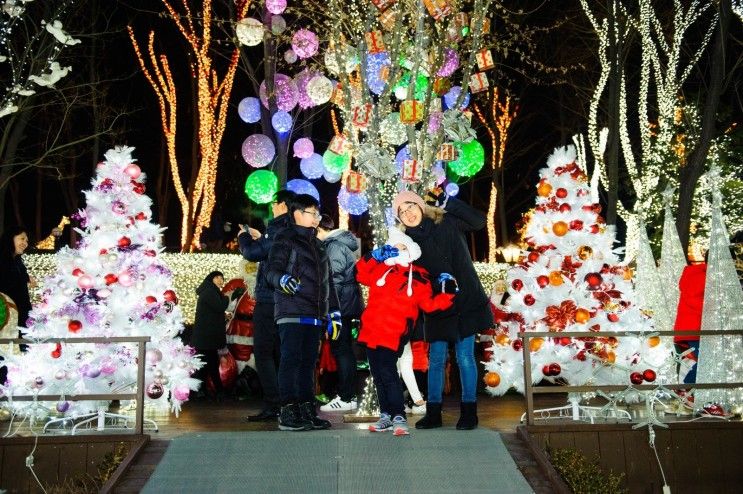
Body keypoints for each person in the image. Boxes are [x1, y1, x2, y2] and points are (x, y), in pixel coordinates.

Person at [393, 189, 493, 430]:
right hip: (437, 305)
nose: (408, 214)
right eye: (402, 212)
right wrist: (436, 283)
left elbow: (478, 221)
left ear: (420, 206)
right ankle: (434, 412)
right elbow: (411, 277)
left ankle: (469, 412)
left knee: (465, 358)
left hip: (466, 300)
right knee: (436, 359)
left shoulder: (446, 221)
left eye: (411, 207)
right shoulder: (407, 243)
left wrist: (449, 200)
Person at [356, 228, 455, 435]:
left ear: (410, 250)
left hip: (394, 332)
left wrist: (448, 294)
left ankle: (398, 416)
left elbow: (429, 305)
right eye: (392, 247)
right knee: (378, 375)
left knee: (389, 373)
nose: (396, 251)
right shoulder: (379, 269)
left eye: (400, 247)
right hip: (371, 330)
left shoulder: (419, 276)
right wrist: (373, 256)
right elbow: (359, 273)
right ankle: (386, 416)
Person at [266, 194, 340, 431]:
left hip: (314, 314)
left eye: (317, 213)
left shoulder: (318, 246)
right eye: (312, 213)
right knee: (291, 360)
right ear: (297, 213)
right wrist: (282, 279)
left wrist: (334, 313)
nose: (316, 218)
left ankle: (307, 410)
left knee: (309, 363)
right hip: (291, 310)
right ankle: (288, 411)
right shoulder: (284, 239)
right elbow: (271, 271)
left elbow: (328, 283)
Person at [238, 189, 296, 421]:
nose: (272, 207)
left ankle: (275, 403)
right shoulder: (293, 230)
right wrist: (260, 236)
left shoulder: (279, 228)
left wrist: (244, 236)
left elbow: (252, 253)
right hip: (287, 300)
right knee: (281, 353)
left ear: (283, 205)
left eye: (275, 203)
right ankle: (286, 402)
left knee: (263, 352)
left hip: (269, 299)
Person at [317, 215, 364, 412]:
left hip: (340, 306)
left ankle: (346, 396)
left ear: (320, 229)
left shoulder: (333, 246)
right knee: (343, 349)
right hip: (346, 304)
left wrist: (329, 309)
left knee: (341, 349)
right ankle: (348, 396)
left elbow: (333, 279)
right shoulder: (340, 244)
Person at [0, 226, 34, 384]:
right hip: (6, 318)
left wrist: (26, 278)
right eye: (21, 238)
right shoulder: (2, 260)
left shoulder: (17, 260)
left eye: (26, 240)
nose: (25, 242)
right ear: (10, 240)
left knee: (20, 353)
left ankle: (13, 390)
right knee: (5, 354)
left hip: (21, 316)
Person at [191, 271, 230, 401]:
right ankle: (216, 392)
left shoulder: (209, 291)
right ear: (211, 279)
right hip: (206, 338)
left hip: (206, 337)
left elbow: (211, 312)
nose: (221, 280)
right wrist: (226, 298)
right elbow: (219, 306)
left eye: (222, 278)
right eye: (217, 277)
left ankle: (203, 391)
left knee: (207, 365)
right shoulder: (209, 291)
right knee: (210, 364)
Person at [673, 257, 707, 384]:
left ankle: (687, 389)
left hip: (691, 328)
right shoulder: (702, 277)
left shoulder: (695, 274)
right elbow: (697, 302)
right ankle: (686, 387)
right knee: (706, 362)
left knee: (705, 361)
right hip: (696, 329)